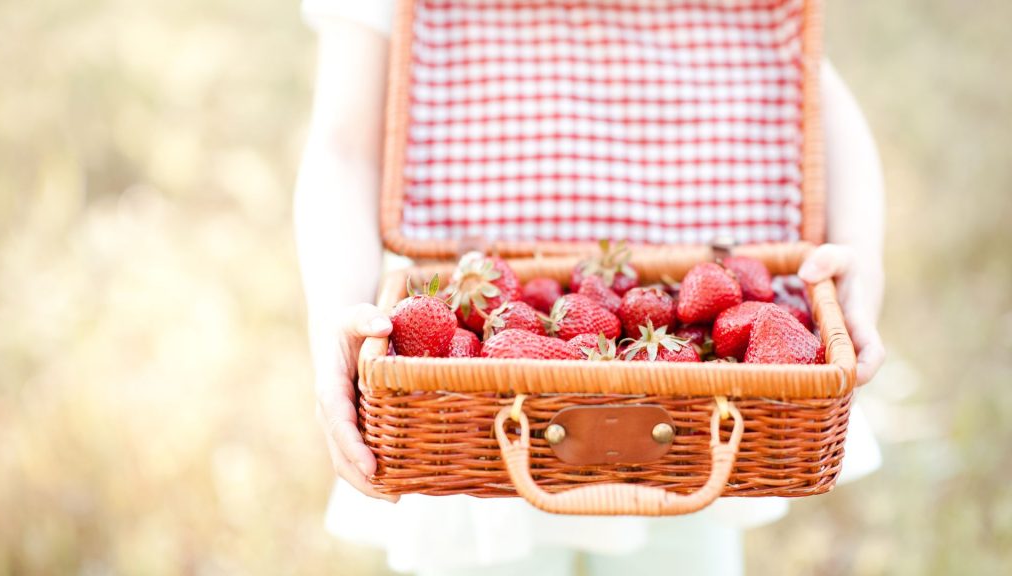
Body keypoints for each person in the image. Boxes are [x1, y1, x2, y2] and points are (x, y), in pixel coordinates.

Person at [294, 2, 887, 574]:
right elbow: (344, 144)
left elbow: (805, 82)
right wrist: (335, 321)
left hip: (708, 411)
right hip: (466, 423)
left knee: (687, 550)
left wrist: (861, 259)